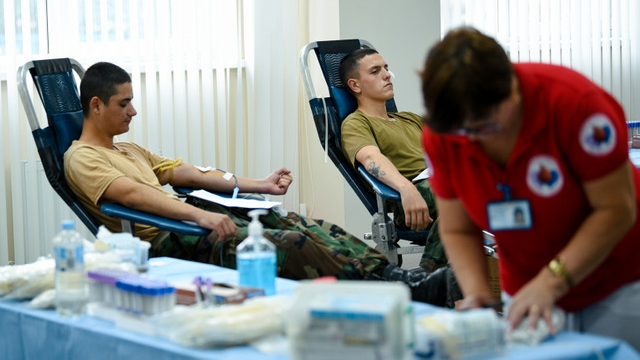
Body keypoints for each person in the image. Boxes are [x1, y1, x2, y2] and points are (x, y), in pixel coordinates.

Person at [64, 61, 452, 305]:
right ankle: (392, 291)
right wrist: (200, 218)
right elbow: (133, 196)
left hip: (189, 220)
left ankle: (395, 278)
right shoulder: (82, 157)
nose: (133, 111)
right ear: (96, 105)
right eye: (123, 103)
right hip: (163, 238)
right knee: (288, 245)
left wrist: (260, 186)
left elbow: (188, 174)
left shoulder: (128, 149)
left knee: (304, 224)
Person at [420, 26, 640, 349]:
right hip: (527, 282)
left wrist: (552, 282)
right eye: (464, 132)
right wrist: (478, 295)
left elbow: (616, 209)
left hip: (618, 276)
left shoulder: (575, 105)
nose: (474, 139)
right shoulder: (447, 130)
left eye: (486, 126)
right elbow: (458, 229)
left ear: (512, 89)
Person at [339, 47, 447, 272]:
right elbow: (371, 158)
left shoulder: (410, 119)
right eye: (375, 71)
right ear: (355, 85)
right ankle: (426, 276)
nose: (387, 75)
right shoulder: (356, 123)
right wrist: (406, 189)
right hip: (410, 198)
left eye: (386, 69)